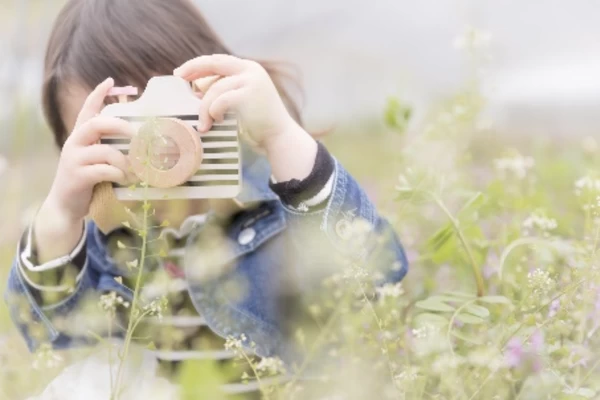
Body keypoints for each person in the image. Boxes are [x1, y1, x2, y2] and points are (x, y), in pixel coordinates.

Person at [4, 0, 408, 397]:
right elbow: (50, 333)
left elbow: (372, 279)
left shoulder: (278, 208)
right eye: (111, 136)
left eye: (163, 122)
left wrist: (281, 137)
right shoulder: (102, 239)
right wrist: (60, 214)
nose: (148, 156)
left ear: (215, 91)